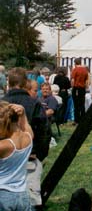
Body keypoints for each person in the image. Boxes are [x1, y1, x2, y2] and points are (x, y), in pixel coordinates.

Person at [2, 67, 50, 210]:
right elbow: (44, 132)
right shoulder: (34, 103)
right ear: (25, 84)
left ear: (9, 83)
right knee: (32, 198)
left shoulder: (2, 104)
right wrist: (40, 154)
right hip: (29, 155)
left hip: (5, 159)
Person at [0, 102, 34, 211]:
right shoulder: (28, 137)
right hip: (23, 195)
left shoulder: (3, 146)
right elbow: (26, 126)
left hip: (3, 195)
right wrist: (23, 114)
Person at [71, 58, 89, 126]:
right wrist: (86, 87)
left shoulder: (75, 70)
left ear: (75, 63)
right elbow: (87, 81)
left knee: (76, 105)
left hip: (76, 88)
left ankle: (76, 120)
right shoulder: (85, 70)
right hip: (82, 88)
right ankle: (83, 119)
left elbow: (73, 80)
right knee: (82, 104)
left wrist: (72, 87)